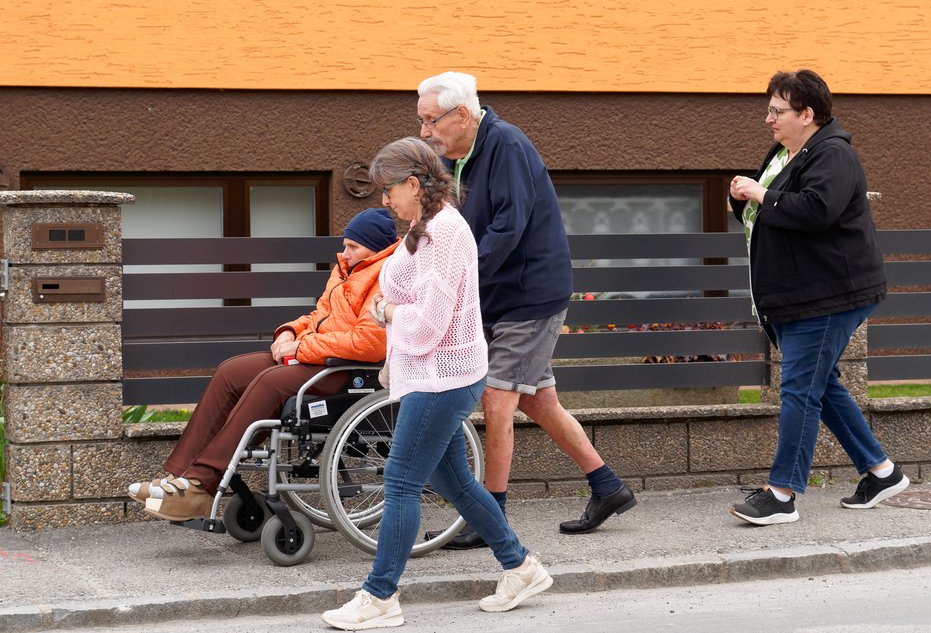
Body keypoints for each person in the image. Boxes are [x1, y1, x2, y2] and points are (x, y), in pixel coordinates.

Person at [321, 137, 552, 630]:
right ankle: (520, 566)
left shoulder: (445, 233)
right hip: (430, 372)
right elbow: (394, 289)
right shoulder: (420, 230)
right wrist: (393, 306)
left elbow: (425, 323)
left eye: (388, 190)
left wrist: (388, 311)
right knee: (456, 484)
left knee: (400, 481)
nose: (384, 200)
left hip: (443, 375)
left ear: (412, 184)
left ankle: (380, 596)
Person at [414, 71, 636, 549]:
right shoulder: (456, 157)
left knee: (498, 400)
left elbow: (509, 226)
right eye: (421, 122)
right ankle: (608, 486)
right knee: (537, 400)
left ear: (462, 115)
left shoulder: (506, 146)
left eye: (431, 121)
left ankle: (488, 516)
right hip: (498, 294)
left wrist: (460, 277)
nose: (425, 132)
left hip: (529, 295)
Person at [127, 208, 400, 521]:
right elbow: (320, 317)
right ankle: (180, 476)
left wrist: (302, 346)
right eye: (345, 244)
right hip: (316, 357)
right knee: (231, 371)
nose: (344, 252)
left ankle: (200, 483)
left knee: (270, 382)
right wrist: (290, 330)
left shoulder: (385, 276)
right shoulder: (345, 269)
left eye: (353, 247)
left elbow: (369, 342)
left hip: (346, 372)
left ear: (376, 247)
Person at [727, 69, 909, 526]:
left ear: (807, 114)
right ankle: (882, 472)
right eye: (768, 109)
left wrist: (761, 193)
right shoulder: (785, 153)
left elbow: (816, 211)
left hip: (829, 294)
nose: (768, 119)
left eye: (777, 111)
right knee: (820, 386)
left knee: (799, 389)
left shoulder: (833, 154)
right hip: (797, 294)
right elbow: (766, 211)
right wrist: (742, 196)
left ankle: (782, 493)